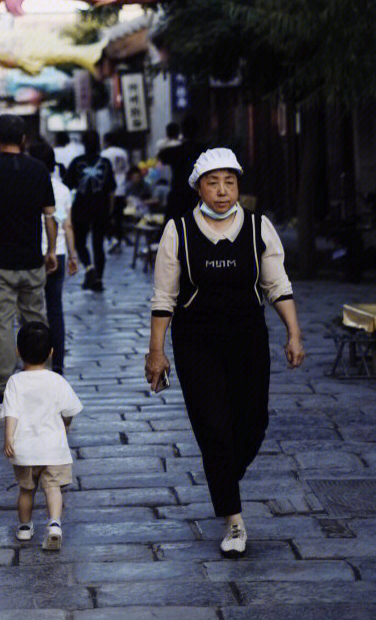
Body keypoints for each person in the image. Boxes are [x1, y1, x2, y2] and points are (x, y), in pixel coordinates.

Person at [145, 148, 305, 559]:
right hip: (197, 341)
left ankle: (221, 476)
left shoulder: (258, 227)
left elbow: (277, 285)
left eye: (229, 182)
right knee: (214, 428)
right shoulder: (177, 231)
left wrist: (294, 333)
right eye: (213, 183)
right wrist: (156, 352)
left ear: (238, 186)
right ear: (198, 187)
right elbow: (164, 297)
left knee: (254, 423)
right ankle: (233, 521)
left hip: (247, 338)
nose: (222, 191)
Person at [0, 114, 58, 408]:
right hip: (32, 258)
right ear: (23, 139)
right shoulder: (38, 169)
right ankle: (40, 381)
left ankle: (5, 388)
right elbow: (49, 214)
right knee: (36, 320)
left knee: (2, 324)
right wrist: (51, 251)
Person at [0, 321, 83, 551]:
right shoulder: (57, 380)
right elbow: (70, 411)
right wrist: (65, 425)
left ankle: (25, 527)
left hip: (25, 450)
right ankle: (54, 524)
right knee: (53, 487)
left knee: (26, 490)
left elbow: (11, 413)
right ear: (51, 353)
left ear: (18, 351)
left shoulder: (15, 382)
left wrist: (9, 438)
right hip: (53, 450)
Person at [28, 140, 79, 374]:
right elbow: (67, 225)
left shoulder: (27, 185)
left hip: (33, 253)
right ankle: (57, 363)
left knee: (32, 310)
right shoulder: (62, 190)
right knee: (55, 309)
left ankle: (35, 361)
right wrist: (73, 255)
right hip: (57, 252)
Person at [64, 129, 115, 292]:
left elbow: (68, 185)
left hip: (81, 208)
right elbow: (111, 190)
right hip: (101, 208)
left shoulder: (77, 162)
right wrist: (111, 211)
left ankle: (89, 268)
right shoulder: (105, 163)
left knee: (80, 243)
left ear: (83, 144)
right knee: (98, 245)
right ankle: (98, 278)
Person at [101, 132, 130, 248]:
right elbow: (126, 169)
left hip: (109, 189)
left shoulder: (105, 153)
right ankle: (119, 236)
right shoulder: (123, 152)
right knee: (119, 215)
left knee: (108, 214)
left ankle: (110, 237)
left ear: (107, 141)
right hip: (121, 187)